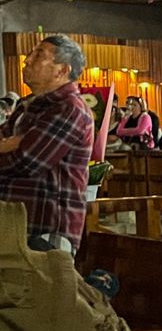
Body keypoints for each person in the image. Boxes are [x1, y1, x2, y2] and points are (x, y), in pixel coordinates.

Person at [0, 35, 94, 253]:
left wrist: (16, 146)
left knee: (41, 286)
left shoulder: (69, 108)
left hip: (46, 228)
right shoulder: (28, 105)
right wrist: (11, 144)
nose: (27, 60)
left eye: (38, 54)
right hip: (14, 224)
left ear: (62, 70)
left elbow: (26, 161)